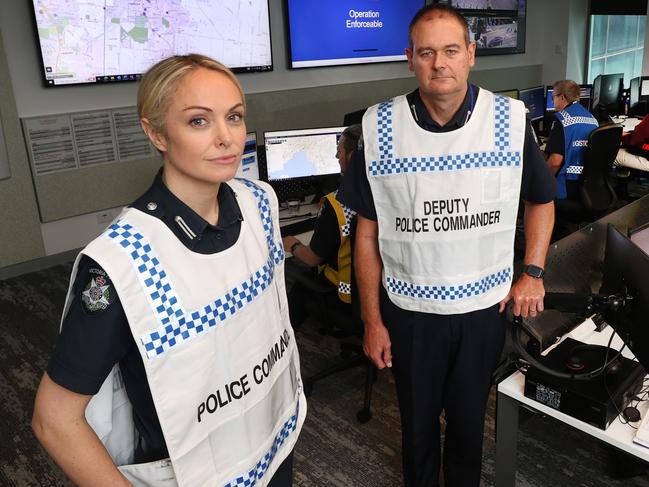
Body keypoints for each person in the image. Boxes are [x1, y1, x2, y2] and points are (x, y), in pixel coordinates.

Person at [32, 54, 306, 487]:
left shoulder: (258, 201)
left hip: (272, 447)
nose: (226, 138)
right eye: (199, 121)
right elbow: (54, 420)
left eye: (234, 117)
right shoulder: (123, 262)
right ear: (156, 132)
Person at [337, 5, 555, 487]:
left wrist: (533, 272)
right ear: (410, 58)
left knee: (468, 428)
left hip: (483, 311)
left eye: (451, 50)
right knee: (416, 430)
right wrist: (371, 322)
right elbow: (367, 235)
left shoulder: (508, 120)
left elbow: (542, 199)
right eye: (427, 52)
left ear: (471, 55)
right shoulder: (379, 129)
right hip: (411, 314)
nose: (440, 63)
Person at [282, 124, 362, 324]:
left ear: (351, 157)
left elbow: (312, 258)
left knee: (296, 276)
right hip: (382, 291)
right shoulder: (389, 193)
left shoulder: (337, 204)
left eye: (339, 151)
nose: (336, 157)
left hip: (345, 293)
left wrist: (292, 244)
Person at [544, 80, 599, 200]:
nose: (552, 101)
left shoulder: (561, 119)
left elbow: (555, 162)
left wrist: (540, 181)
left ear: (562, 97)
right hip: (588, 184)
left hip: (568, 184)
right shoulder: (592, 118)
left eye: (553, 97)